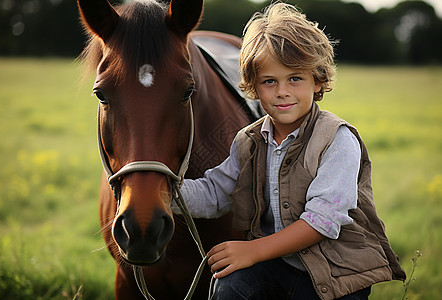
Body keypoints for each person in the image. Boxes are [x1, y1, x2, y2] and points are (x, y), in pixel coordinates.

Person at [173, 2, 406, 299]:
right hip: (278, 265)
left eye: (295, 78)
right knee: (229, 285)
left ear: (317, 80)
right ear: (254, 88)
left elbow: (322, 221)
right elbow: (215, 193)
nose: (282, 91)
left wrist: (253, 250)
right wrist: (162, 192)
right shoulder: (249, 141)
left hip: (337, 273)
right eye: (269, 81)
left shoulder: (337, 139)